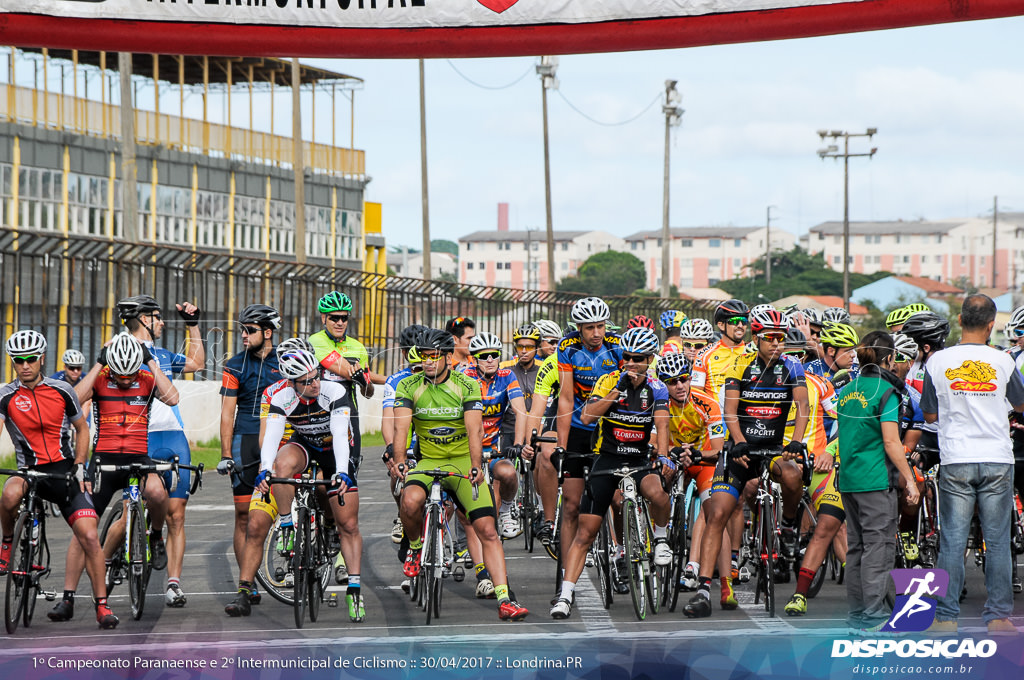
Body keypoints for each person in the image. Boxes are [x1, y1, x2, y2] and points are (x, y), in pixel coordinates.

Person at [391, 328, 529, 621]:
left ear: (448, 357)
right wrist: (401, 461)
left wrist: (477, 465)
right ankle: (416, 548)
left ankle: (505, 599)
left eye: (434, 356)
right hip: (428, 462)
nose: (427, 362)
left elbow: (474, 429)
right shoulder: (409, 386)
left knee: (488, 530)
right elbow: (401, 430)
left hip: (463, 463)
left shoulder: (466, 385)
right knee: (410, 500)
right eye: (423, 356)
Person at [684, 306, 810, 618]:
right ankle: (703, 590)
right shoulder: (740, 364)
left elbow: (803, 405)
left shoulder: (791, 366)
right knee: (718, 511)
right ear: (757, 338)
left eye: (780, 338)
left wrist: (796, 440)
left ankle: (789, 526)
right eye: (769, 338)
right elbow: (730, 411)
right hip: (741, 449)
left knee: (793, 477)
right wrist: (738, 440)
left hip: (774, 449)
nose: (776, 344)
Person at [225, 347, 363, 620]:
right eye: (307, 381)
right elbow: (272, 439)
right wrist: (265, 471)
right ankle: (287, 523)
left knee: (347, 522)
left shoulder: (333, 392)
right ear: (291, 383)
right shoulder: (281, 397)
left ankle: (354, 589)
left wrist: (343, 471)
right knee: (278, 469)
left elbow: (338, 436)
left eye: (316, 376)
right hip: (305, 445)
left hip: (335, 450)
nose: (314, 383)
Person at [550, 327, 672, 618]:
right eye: (626, 357)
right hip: (606, 460)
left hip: (640, 460)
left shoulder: (657, 388)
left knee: (659, 495)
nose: (630, 363)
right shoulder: (607, 381)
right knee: (586, 531)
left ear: (649, 359)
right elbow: (586, 416)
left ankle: (661, 538)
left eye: (637, 359)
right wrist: (616, 390)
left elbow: (663, 426)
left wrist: (665, 456)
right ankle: (565, 595)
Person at [921, 294, 1024, 636]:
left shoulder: (938, 362)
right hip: (997, 457)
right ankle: (998, 617)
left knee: (952, 541)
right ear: (992, 325)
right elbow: (1021, 406)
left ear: (960, 321)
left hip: (956, 458)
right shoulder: (1004, 361)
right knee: (997, 542)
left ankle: (946, 616)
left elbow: (931, 414)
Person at [0, 330, 118, 628]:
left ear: (41, 359)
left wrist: (80, 466)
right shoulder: (5, 395)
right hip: (29, 471)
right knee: (9, 495)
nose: (24, 366)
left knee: (90, 535)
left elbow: (82, 430)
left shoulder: (63, 390)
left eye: (29, 359)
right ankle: (7, 540)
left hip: (64, 472)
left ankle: (102, 606)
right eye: (17, 361)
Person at [67, 332, 179, 619]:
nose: (127, 380)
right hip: (103, 461)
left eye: (131, 374)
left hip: (138, 458)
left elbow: (173, 397)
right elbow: (74, 401)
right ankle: (67, 597)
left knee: (156, 493)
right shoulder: (102, 378)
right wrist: (97, 365)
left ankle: (154, 536)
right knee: (83, 527)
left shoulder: (146, 378)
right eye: (120, 374)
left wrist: (151, 362)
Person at [118, 294, 204, 607]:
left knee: (177, 515)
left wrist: (192, 326)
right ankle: (104, 558)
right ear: (143, 319)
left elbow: (197, 363)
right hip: (140, 437)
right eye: (157, 317)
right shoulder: (119, 349)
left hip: (173, 436)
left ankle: (173, 584)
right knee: (131, 509)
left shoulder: (161, 353)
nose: (163, 322)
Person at [836, 330, 919, 635]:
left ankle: (859, 614)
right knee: (878, 548)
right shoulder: (887, 392)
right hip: (875, 479)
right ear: (890, 358)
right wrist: (909, 480)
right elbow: (891, 442)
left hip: (848, 479)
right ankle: (872, 616)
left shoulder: (847, 389)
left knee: (857, 547)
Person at [553, 297, 622, 590]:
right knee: (571, 505)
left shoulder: (617, 346)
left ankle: (621, 559)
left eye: (600, 326)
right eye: (589, 327)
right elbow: (566, 399)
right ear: (578, 328)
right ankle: (568, 573)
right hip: (581, 426)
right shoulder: (567, 349)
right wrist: (561, 446)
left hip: (613, 428)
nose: (596, 333)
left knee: (616, 499)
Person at [216, 304, 282, 606]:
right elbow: (227, 412)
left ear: (267, 332)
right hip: (245, 441)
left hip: (281, 440)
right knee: (243, 516)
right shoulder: (233, 365)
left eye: (250, 330)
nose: (244, 335)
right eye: (242, 329)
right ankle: (248, 584)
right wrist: (226, 453)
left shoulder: (286, 360)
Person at [658, 352, 729, 598]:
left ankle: (709, 574)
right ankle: (657, 541)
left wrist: (697, 454)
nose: (679, 385)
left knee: (714, 511)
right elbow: (652, 442)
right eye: (671, 381)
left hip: (703, 460)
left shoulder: (707, 402)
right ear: (662, 383)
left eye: (684, 379)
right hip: (672, 458)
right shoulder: (658, 403)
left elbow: (719, 449)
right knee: (655, 492)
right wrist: (671, 454)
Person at [462, 331, 528, 538]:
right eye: (483, 356)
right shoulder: (464, 376)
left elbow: (521, 412)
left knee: (508, 473)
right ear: (474, 358)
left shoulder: (507, 376)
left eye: (494, 354)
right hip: (464, 446)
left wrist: (517, 444)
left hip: (491, 447)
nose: (490, 360)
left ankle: (506, 512)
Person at [381, 324, 427, 544]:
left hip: (431, 443)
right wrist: (391, 448)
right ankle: (401, 513)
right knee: (396, 471)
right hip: (406, 442)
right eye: (411, 349)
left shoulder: (440, 376)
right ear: (403, 353)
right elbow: (388, 420)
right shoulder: (395, 380)